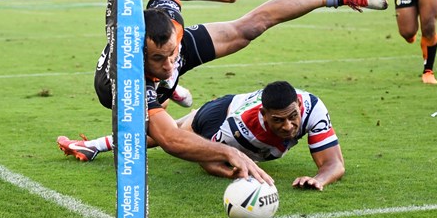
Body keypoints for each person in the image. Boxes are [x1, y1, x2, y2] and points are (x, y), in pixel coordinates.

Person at [58, 0, 387, 178]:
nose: (170, 62)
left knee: (248, 28)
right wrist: (227, 152)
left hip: (161, 60)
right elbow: (171, 141)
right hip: (121, 89)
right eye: (159, 58)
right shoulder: (129, 82)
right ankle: (149, 106)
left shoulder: (169, 24)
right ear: (141, 54)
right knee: (164, 128)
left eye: (172, 53)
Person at [62, 81, 344, 190]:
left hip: (237, 105)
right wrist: (239, 174)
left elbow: (333, 164)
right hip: (217, 115)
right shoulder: (239, 128)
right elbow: (204, 159)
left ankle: (92, 146)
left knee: (162, 130)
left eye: (292, 117)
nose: (288, 126)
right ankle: (161, 99)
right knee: (167, 136)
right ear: (264, 115)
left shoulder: (312, 108)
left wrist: (318, 180)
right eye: (278, 121)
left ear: (299, 105)